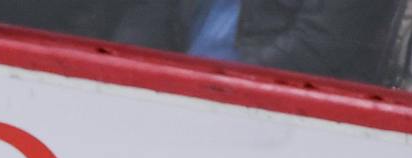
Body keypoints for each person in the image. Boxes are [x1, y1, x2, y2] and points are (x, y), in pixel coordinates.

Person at [114, 0, 392, 83]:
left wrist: (219, 85)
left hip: (275, 117)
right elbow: (150, 15)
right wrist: (128, 70)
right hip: (172, 93)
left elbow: (318, 44)